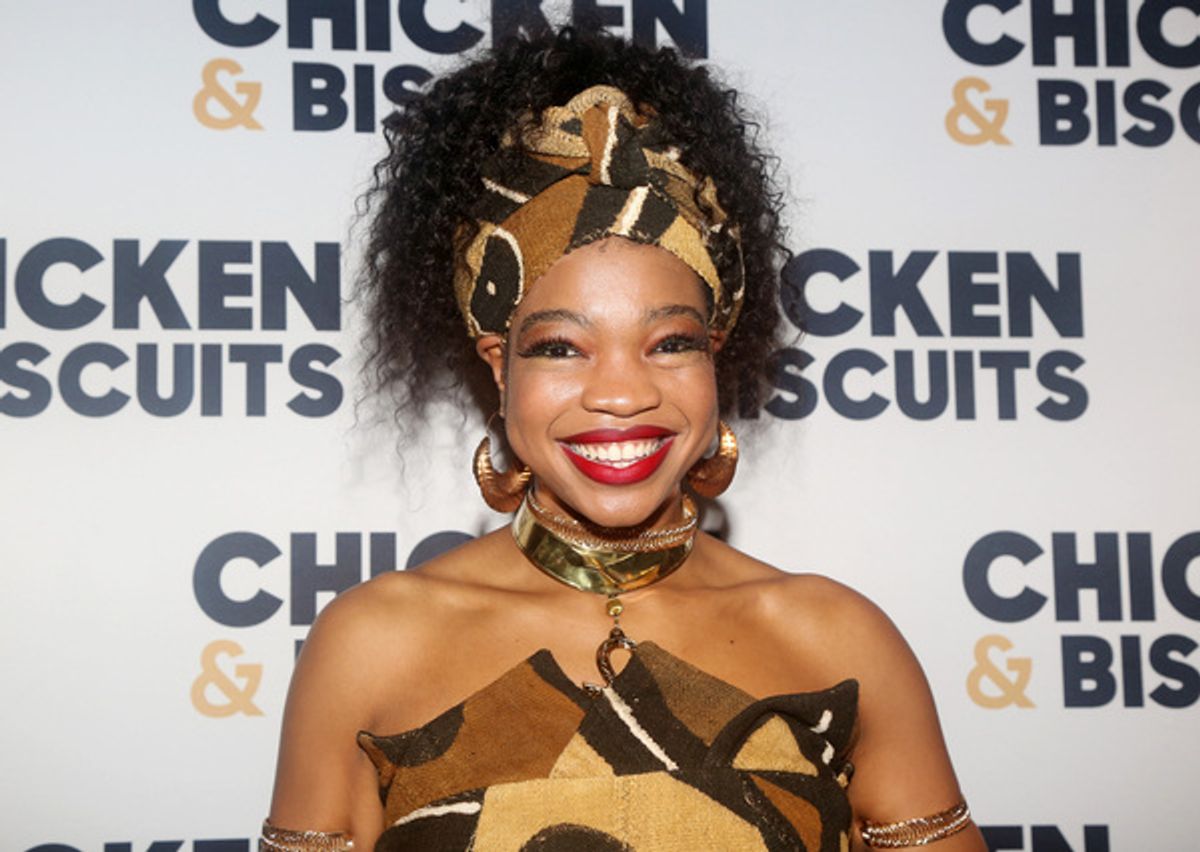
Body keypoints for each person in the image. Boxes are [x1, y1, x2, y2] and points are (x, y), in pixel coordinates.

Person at [262, 26, 986, 852]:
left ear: (715, 355)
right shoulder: (370, 645)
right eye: (560, 347)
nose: (621, 393)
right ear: (500, 365)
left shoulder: (838, 639)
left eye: (670, 342)